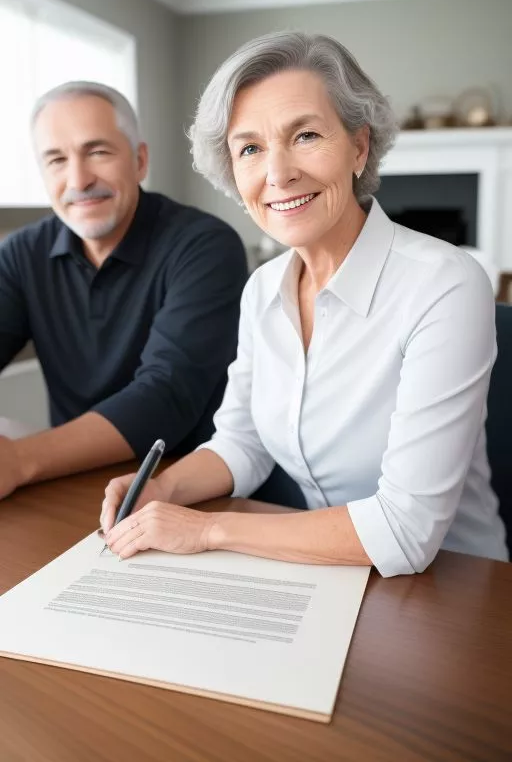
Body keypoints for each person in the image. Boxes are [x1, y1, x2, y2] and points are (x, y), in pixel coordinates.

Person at [101, 33, 508, 576]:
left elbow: (404, 530)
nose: (277, 173)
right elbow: (243, 442)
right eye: (250, 148)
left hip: (457, 590)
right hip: (327, 574)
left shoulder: (445, 284)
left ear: (359, 147)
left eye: (306, 135)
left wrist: (205, 529)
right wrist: (163, 486)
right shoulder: (262, 289)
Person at [0, 81, 247, 499]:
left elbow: (166, 393)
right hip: (70, 482)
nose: (78, 179)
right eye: (57, 160)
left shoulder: (205, 246)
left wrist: (20, 460)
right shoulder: (21, 253)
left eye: (97, 152)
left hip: (187, 491)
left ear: (139, 160)